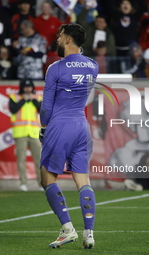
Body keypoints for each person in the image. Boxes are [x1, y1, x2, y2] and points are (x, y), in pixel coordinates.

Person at [39, 23, 99, 249]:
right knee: (83, 180)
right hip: (81, 126)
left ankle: (67, 229)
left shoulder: (55, 68)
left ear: (67, 40)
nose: (56, 39)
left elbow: (46, 107)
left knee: (47, 178)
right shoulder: (92, 66)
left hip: (60, 124)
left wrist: (44, 127)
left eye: (59, 36)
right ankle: (89, 233)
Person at [9, 78, 42, 191]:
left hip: (34, 133)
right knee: (21, 159)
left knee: (39, 159)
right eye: (26, 87)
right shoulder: (15, 97)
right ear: (22, 87)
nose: (28, 89)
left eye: (30, 86)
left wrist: (32, 100)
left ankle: (41, 183)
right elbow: (12, 109)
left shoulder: (37, 97)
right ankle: (23, 183)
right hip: (20, 133)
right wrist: (23, 100)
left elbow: (42, 109)